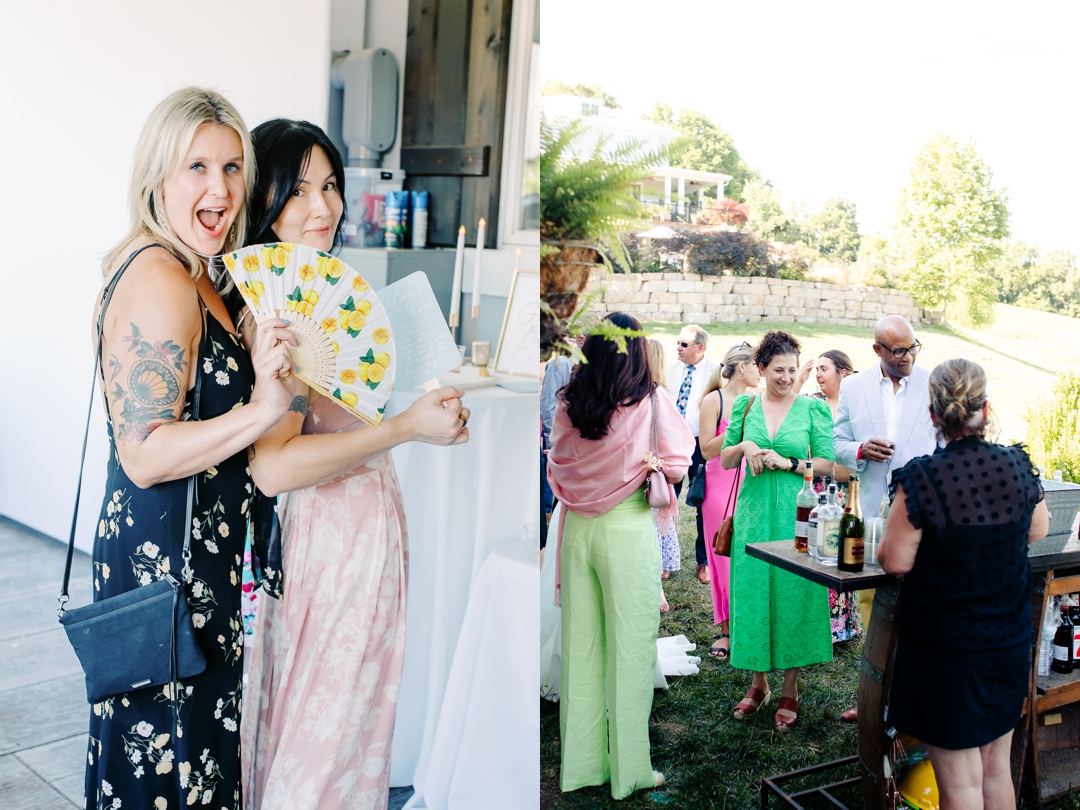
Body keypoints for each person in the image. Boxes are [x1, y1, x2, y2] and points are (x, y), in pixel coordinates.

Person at [235, 119, 469, 810]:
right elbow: (273, 467)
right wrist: (402, 428)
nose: (323, 206)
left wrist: (426, 419)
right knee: (326, 738)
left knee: (342, 726)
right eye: (299, 189)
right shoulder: (275, 312)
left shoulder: (320, 290)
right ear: (263, 198)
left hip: (361, 533)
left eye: (331, 185)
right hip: (324, 542)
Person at [85, 87, 296, 810]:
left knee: (194, 759)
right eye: (197, 167)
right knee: (167, 764)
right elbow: (143, 452)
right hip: (163, 565)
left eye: (233, 168)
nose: (221, 189)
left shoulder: (203, 274)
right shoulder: (159, 278)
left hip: (196, 557)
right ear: (156, 179)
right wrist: (264, 405)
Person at [878, 359, 1049, 810]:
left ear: (934, 415)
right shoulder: (1017, 463)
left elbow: (894, 560)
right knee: (996, 772)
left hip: (945, 651)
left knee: (961, 786)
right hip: (1007, 644)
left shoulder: (922, 477)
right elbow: (1037, 529)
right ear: (986, 409)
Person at [548, 313, 694, 798]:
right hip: (627, 529)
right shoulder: (651, 401)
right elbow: (676, 466)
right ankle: (629, 770)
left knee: (582, 648)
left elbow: (558, 469)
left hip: (576, 532)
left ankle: (583, 766)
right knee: (631, 652)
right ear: (635, 352)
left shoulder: (570, 402)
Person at [720, 331, 836, 729]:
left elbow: (826, 464)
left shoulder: (812, 410)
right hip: (752, 514)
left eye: (791, 370)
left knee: (792, 592)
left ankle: (790, 687)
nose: (786, 378)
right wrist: (746, 448)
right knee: (753, 589)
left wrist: (788, 463)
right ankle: (758, 683)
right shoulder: (745, 404)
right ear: (762, 368)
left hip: (795, 512)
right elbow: (722, 459)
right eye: (777, 370)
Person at [833, 316, 937, 723]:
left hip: (924, 513)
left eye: (913, 347)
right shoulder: (854, 388)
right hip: (872, 510)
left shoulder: (932, 382)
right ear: (877, 350)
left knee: (920, 608)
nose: (908, 356)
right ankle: (874, 697)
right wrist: (859, 450)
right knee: (872, 605)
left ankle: (911, 699)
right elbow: (836, 443)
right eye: (898, 351)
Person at [697, 342, 759, 658]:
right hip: (719, 487)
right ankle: (725, 630)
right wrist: (739, 421)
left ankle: (748, 624)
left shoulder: (758, 400)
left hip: (751, 486)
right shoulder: (714, 400)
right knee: (722, 558)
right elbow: (707, 450)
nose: (762, 371)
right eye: (757, 364)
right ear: (742, 367)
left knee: (749, 558)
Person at [796, 350, 860, 643]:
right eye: (817, 369)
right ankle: (813, 625)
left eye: (824, 368)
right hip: (817, 491)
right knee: (816, 555)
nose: (819, 374)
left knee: (842, 555)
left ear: (842, 373)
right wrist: (799, 381)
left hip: (847, 493)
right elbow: (786, 413)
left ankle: (841, 627)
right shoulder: (811, 403)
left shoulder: (856, 406)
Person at [666, 324, 718, 584]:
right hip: (672, 444)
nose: (678, 347)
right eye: (678, 342)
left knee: (702, 502)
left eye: (684, 344)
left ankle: (704, 561)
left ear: (700, 348)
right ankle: (663, 559)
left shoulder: (716, 371)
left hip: (701, 444)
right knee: (665, 500)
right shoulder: (669, 370)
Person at [647, 339, 679, 593]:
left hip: (652, 466)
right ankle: (659, 565)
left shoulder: (656, 394)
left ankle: (657, 565)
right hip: (657, 466)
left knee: (654, 520)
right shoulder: (661, 393)